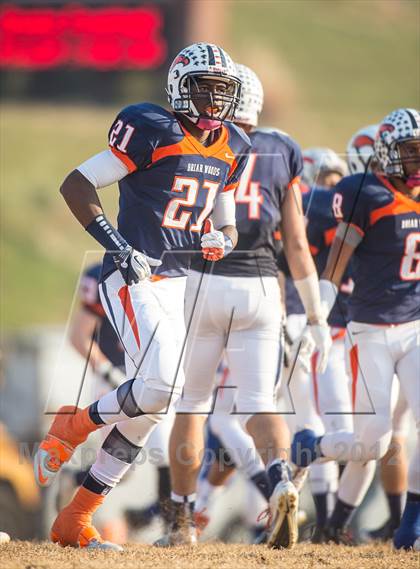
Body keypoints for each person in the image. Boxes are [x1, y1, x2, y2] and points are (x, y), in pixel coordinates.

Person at [34, 42, 251, 550]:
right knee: (161, 391)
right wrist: (118, 245)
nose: (214, 101)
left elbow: (227, 220)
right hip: (134, 275)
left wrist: (224, 238)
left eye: (223, 91)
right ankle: (72, 425)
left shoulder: (233, 145)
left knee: (153, 408)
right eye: (205, 88)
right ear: (180, 86)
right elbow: (77, 184)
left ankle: (74, 519)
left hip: (177, 285)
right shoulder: (153, 127)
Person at [168, 63, 332, 548]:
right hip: (262, 286)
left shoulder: (196, 141)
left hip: (204, 277)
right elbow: (297, 245)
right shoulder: (282, 149)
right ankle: (281, 478)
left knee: (193, 406)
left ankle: (181, 522)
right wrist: (315, 314)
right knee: (262, 404)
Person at [292, 108, 420, 549]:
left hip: (416, 326)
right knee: (372, 442)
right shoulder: (365, 192)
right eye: (411, 153)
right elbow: (336, 260)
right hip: (370, 328)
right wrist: (319, 312)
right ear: (388, 153)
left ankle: (410, 528)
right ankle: (314, 448)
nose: (418, 162)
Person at [278, 147, 352, 543]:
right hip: (313, 324)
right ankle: (323, 521)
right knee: (318, 422)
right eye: (327, 180)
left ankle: (323, 520)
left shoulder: (303, 204)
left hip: (328, 325)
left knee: (320, 427)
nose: (332, 189)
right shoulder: (321, 205)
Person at [347, 124, 410, 542]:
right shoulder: (358, 198)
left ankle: (400, 520)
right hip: (361, 326)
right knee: (377, 436)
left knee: (394, 432)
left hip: (403, 325)